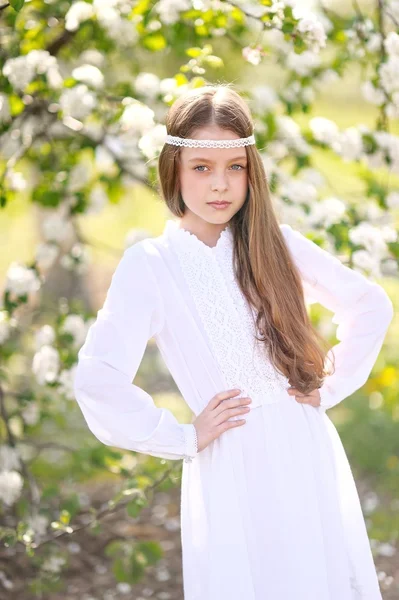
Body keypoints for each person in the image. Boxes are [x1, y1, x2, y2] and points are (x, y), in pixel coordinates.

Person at [73, 84, 394, 600]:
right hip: (230, 461)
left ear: (252, 171)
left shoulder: (279, 244)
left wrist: (326, 387)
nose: (219, 185)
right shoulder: (153, 265)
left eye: (234, 167)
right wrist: (180, 436)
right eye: (201, 167)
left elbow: (370, 305)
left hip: (305, 451)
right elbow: (97, 377)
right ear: (173, 169)